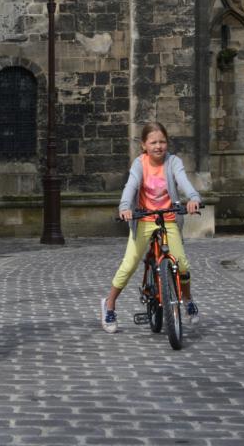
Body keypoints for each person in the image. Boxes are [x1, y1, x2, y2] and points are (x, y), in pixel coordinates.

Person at [100, 121, 202, 333]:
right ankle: (109, 305)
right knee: (129, 265)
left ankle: (188, 299)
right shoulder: (139, 164)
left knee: (182, 264)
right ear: (144, 145)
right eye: (153, 142)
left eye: (162, 141)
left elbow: (184, 182)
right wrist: (125, 207)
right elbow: (131, 186)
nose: (158, 146)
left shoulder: (173, 162)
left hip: (168, 218)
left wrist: (193, 198)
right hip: (144, 219)